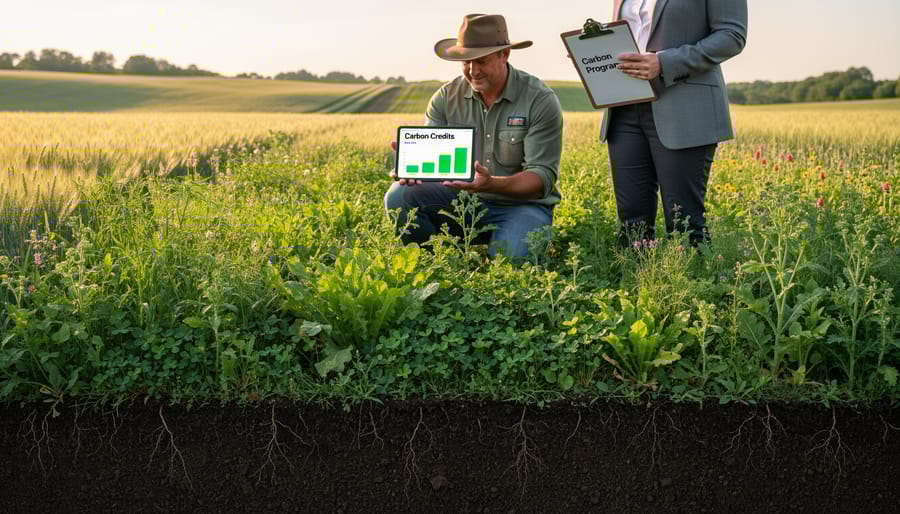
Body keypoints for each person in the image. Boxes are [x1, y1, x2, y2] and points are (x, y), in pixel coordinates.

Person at [384, 13, 563, 259]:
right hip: (461, 204)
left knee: (510, 258)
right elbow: (434, 165)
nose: (473, 71)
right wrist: (413, 168)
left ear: (505, 55)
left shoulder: (539, 100)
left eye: (482, 61)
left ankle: (503, 246)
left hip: (521, 208)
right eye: (466, 62)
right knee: (398, 195)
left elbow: (541, 179)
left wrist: (491, 184)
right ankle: (437, 264)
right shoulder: (446, 97)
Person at [601, 0, 747, 247]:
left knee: (684, 222)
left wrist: (664, 62)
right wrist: (593, 52)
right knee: (631, 224)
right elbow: (630, 34)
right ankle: (637, 283)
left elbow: (732, 35)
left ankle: (694, 284)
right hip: (624, 106)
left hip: (686, 107)